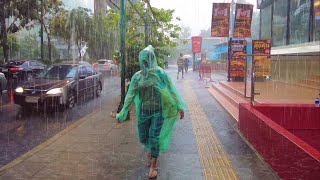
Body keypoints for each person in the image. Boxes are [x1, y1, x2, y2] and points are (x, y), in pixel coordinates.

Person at [116, 45, 185, 179]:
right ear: (140, 61)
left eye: (148, 59)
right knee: (143, 137)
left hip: (157, 112)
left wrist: (179, 106)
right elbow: (130, 95)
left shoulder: (160, 74)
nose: (146, 62)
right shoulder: (137, 77)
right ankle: (152, 150)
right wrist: (123, 112)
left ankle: (153, 166)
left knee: (154, 137)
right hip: (143, 112)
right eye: (143, 59)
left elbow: (171, 90)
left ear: (152, 59)